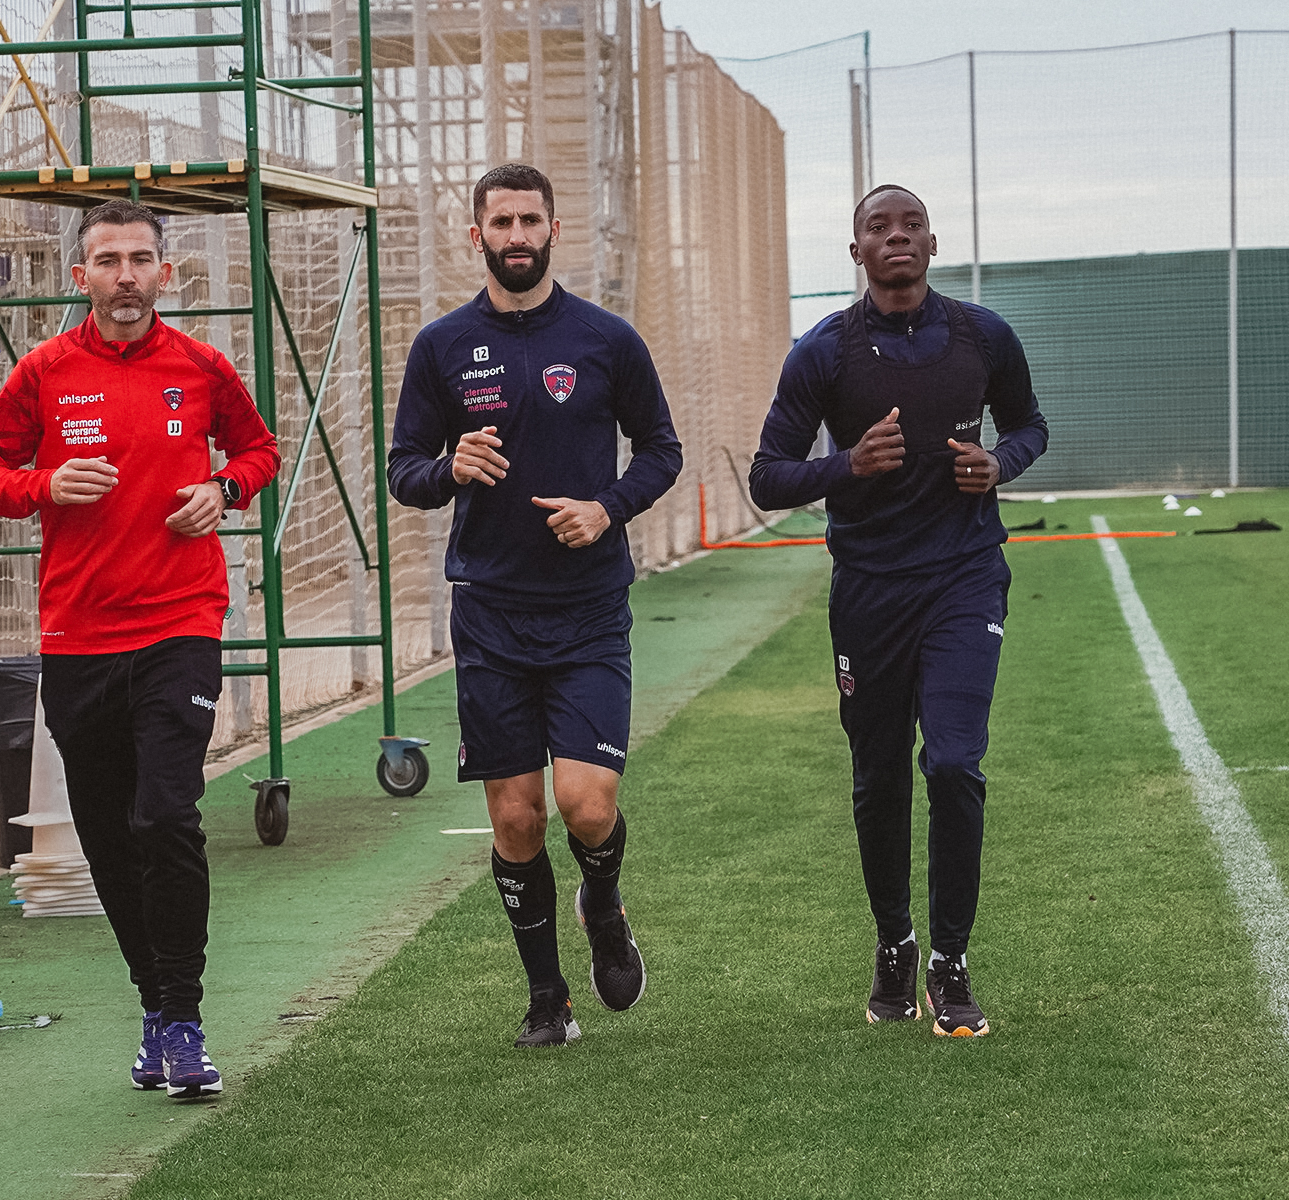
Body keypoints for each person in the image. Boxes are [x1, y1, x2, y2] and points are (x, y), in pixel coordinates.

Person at [0, 198, 280, 1094]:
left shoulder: (201, 366)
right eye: (109, 260)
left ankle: (185, 1017)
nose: (127, 275)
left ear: (164, 275)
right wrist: (46, 483)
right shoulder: (44, 373)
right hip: (78, 637)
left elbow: (260, 451)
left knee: (166, 817)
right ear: (82, 277)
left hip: (181, 622)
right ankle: (153, 1006)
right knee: (106, 834)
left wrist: (224, 489)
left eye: (142, 259)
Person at [388, 164, 682, 1048]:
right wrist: (450, 469)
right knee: (516, 817)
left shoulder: (606, 339)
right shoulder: (441, 346)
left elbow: (661, 451)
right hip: (489, 614)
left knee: (586, 806)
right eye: (501, 222)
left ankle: (604, 902)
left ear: (556, 229)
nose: (517, 235)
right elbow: (406, 470)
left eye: (530, 220)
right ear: (474, 234)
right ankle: (548, 999)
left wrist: (608, 509)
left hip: (590, 609)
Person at [749, 184, 1048, 1037]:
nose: (897, 237)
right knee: (878, 776)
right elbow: (768, 475)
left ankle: (952, 963)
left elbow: (1030, 427)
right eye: (879, 228)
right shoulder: (823, 354)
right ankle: (896, 944)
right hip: (870, 593)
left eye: (910, 224)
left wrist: (999, 465)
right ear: (857, 254)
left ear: (932, 242)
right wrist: (846, 466)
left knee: (954, 763)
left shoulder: (984, 336)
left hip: (963, 579)